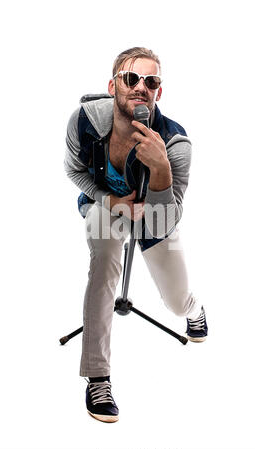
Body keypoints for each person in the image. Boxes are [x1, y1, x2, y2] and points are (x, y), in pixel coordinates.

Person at [64, 47, 208, 423]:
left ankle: (195, 310)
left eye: (151, 81)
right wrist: (110, 201)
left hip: (155, 215)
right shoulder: (84, 121)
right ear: (113, 85)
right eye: (131, 78)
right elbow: (75, 171)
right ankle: (98, 376)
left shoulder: (176, 144)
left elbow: (166, 221)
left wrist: (160, 170)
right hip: (106, 206)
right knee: (104, 264)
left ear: (158, 92)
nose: (140, 87)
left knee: (177, 302)